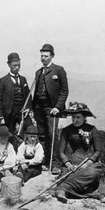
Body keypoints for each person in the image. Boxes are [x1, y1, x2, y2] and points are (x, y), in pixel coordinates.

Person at [55, 102, 105, 202]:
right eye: (73, 117)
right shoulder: (66, 130)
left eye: (78, 117)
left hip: (88, 163)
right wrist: (68, 164)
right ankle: (66, 189)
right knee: (66, 175)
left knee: (93, 173)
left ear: (84, 117)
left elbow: (98, 151)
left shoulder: (92, 129)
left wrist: (88, 163)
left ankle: (63, 189)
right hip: (72, 163)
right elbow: (61, 152)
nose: (75, 120)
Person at [32, 44, 69, 174]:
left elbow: (64, 91)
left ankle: (55, 164)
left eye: (46, 56)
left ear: (52, 56)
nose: (43, 58)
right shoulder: (38, 72)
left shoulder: (58, 70)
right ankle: (44, 162)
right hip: (38, 108)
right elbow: (35, 91)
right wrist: (32, 108)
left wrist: (57, 107)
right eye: (42, 56)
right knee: (42, 135)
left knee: (52, 135)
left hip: (52, 108)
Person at [0, 52, 32, 147]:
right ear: (9, 65)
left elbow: (28, 96)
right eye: (15, 65)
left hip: (22, 112)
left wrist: (28, 108)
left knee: (30, 130)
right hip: (8, 114)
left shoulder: (23, 79)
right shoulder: (3, 81)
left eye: (19, 65)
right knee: (8, 135)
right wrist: (0, 117)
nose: (17, 68)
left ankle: (29, 153)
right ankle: (9, 156)